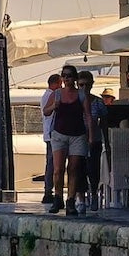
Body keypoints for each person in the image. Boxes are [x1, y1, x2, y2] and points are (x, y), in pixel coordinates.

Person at [42, 65, 93, 216]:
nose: (66, 78)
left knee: (74, 168)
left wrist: (90, 136)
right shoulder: (57, 94)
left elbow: (88, 115)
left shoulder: (81, 95)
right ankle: (58, 198)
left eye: (69, 76)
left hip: (78, 135)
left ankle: (71, 200)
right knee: (58, 169)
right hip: (59, 134)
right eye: (64, 76)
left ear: (74, 78)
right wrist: (53, 106)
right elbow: (45, 111)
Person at [77, 71, 107, 212]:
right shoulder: (74, 101)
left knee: (93, 169)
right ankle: (80, 197)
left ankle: (94, 194)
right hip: (77, 139)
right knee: (78, 169)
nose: (84, 88)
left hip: (94, 139)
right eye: (81, 85)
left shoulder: (98, 102)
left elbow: (105, 120)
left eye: (87, 85)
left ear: (92, 85)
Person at [40, 74, 61, 204]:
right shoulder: (50, 96)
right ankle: (48, 191)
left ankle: (49, 191)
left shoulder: (46, 95)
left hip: (50, 133)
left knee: (51, 163)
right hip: (51, 134)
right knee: (52, 163)